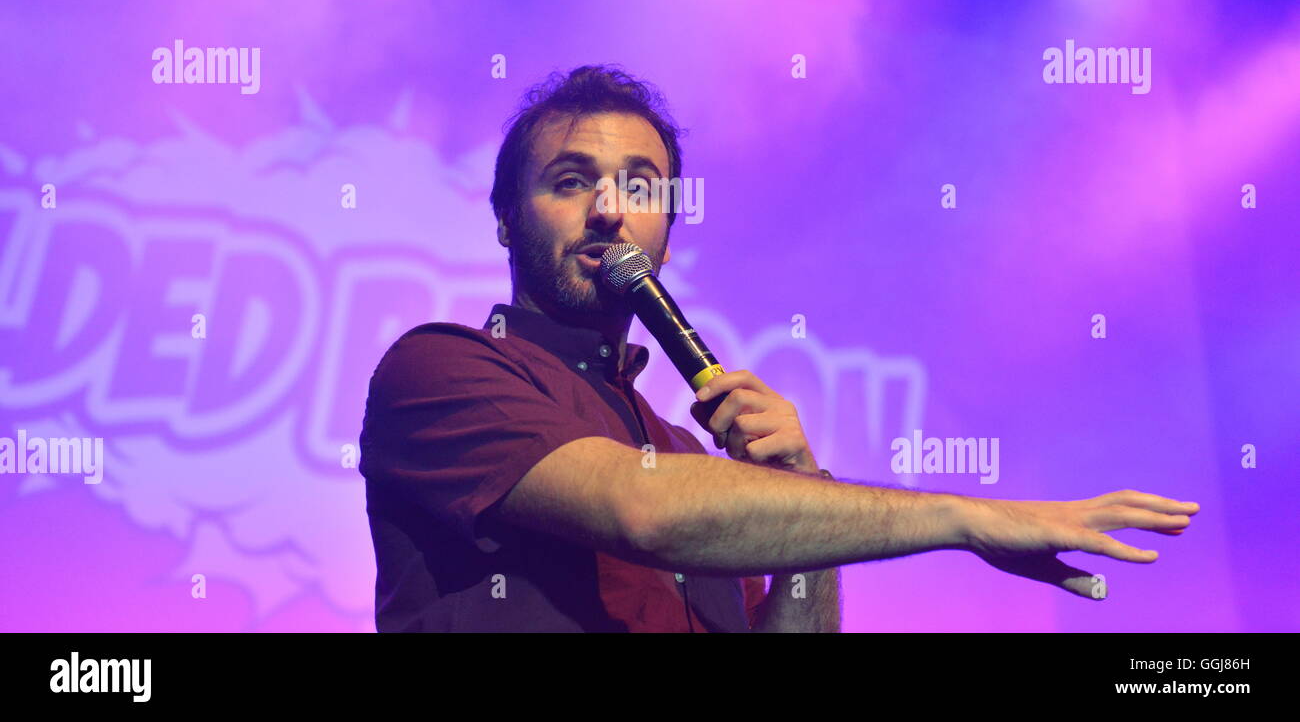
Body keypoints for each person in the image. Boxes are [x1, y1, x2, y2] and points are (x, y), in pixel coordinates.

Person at [358, 64, 1199, 632]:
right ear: (506, 216)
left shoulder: (690, 451)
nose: (610, 209)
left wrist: (800, 486)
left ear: (668, 233)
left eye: (640, 186)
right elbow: (642, 511)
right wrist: (962, 515)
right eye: (572, 180)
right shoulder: (441, 368)